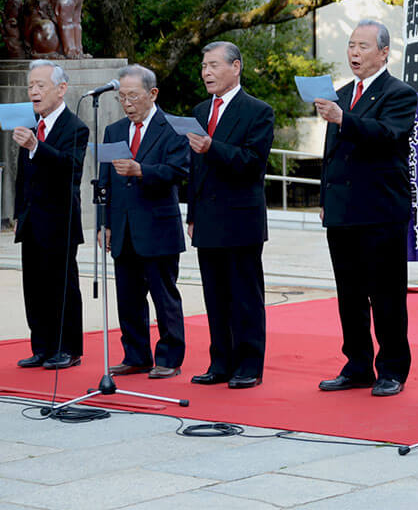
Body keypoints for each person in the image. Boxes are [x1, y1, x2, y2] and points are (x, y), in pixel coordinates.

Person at [316, 20, 417, 397]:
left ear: (384, 52)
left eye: (363, 46)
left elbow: (388, 135)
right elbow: (331, 154)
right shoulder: (341, 94)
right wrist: (325, 201)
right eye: (351, 45)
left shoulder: (399, 93)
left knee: (386, 293)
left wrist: (345, 119)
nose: (354, 53)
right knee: (350, 293)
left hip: (380, 211)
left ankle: (392, 367)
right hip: (342, 210)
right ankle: (357, 363)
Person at [186, 41, 275, 389]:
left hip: (240, 218)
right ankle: (219, 362)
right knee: (215, 295)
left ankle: (249, 365)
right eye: (204, 66)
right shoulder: (197, 112)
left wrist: (213, 147)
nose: (206, 72)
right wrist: (192, 214)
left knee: (244, 296)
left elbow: (253, 164)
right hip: (207, 217)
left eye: (213, 65)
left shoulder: (257, 110)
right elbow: (194, 170)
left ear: (235, 67)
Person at [100, 64, 189, 379]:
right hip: (123, 228)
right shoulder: (113, 130)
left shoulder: (173, 127)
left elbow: (179, 171)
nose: (127, 103)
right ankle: (136, 355)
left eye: (133, 96)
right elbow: (105, 182)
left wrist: (141, 171)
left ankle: (169, 357)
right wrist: (105, 223)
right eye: (121, 97)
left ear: (152, 94)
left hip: (158, 227)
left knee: (164, 296)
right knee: (128, 296)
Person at [13, 60, 88, 370]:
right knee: (34, 286)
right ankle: (41, 347)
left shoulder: (75, 127)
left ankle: (68, 348)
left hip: (60, 221)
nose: (34, 91)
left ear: (61, 88)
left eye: (40, 85)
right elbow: (22, 175)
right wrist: (19, 212)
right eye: (31, 85)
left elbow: (71, 169)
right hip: (31, 219)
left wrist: (37, 146)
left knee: (62, 286)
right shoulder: (30, 123)